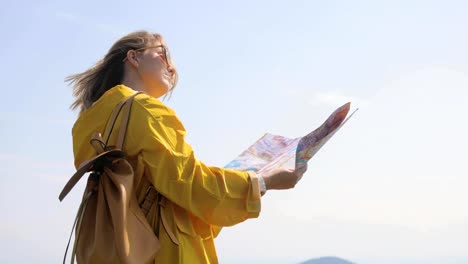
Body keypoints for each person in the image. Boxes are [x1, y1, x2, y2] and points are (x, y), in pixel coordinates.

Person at [68, 30, 302, 263]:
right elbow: (189, 183)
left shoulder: (90, 123)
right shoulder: (144, 110)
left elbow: (172, 196)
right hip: (163, 253)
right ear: (134, 57)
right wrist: (263, 182)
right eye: (163, 54)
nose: (172, 67)